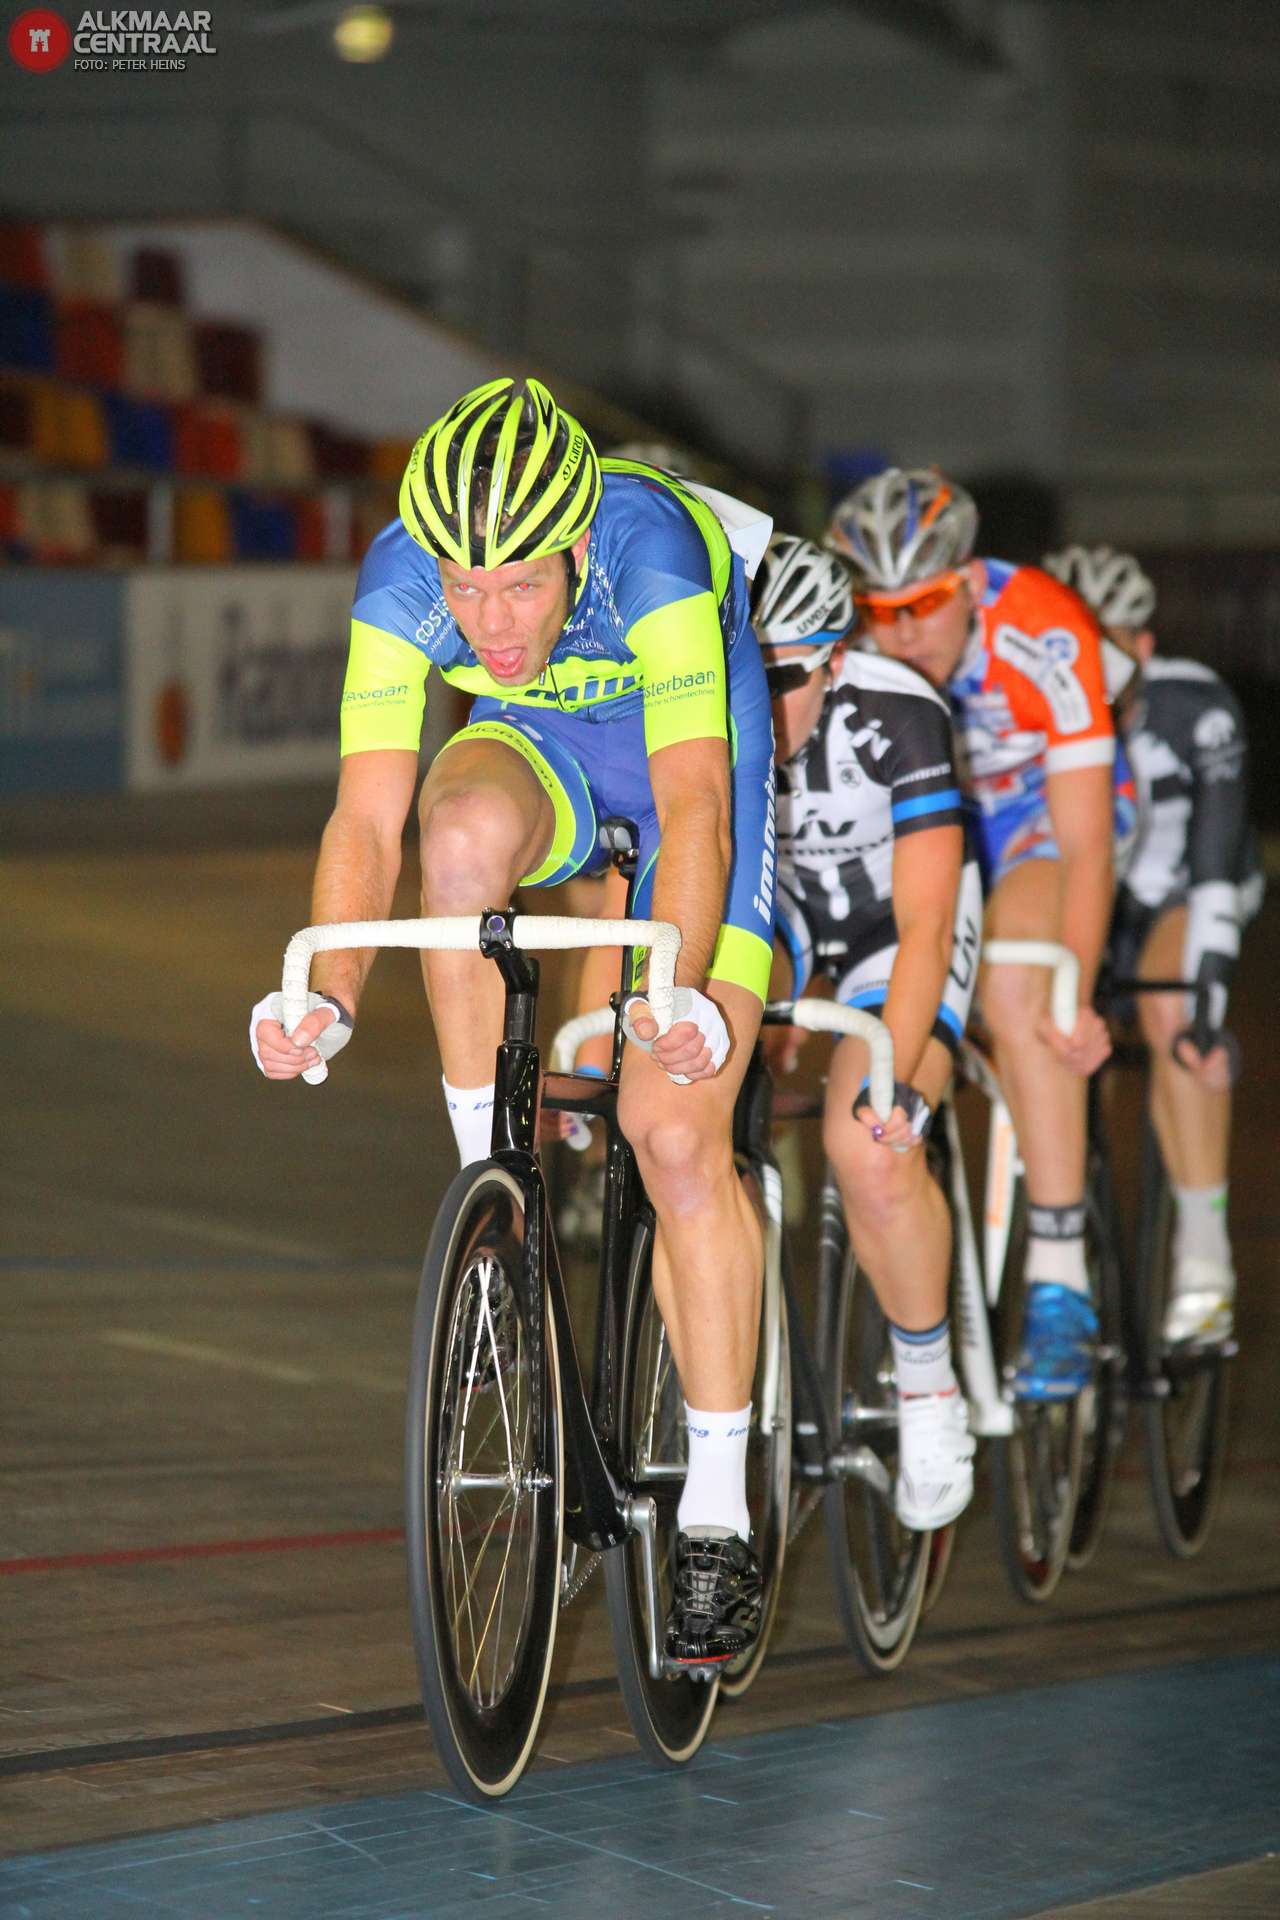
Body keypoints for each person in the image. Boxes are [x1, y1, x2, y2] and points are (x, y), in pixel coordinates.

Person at [250, 377, 777, 1668]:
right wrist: (325, 994)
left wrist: (677, 991)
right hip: (538, 753)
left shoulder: (653, 546)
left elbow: (698, 809)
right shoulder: (402, 576)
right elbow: (365, 819)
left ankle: (715, 1510)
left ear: (579, 547)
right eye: (464, 590)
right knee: (459, 830)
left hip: (689, 781)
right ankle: (500, 1178)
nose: (485, 622)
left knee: (670, 1134)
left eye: (520, 589)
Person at [829, 469, 1136, 1399]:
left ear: (967, 583)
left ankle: (1058, 1279)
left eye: (922, 603)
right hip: (927, 825)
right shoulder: (848, 642)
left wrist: (1072, 989)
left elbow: (1087, 845)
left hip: (1036, 820)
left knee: (1015, 985)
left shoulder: (1043, 628)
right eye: (879, 610)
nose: (902, 632)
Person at [757, 534, 979, 1527]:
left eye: (788, 677)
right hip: (785, 919)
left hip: (901, 926)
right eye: (743, 675)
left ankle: (930, 1385)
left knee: (867, 1138)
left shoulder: (899, 712)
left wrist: (891, 1075)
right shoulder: (697, 712)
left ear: (835, 659)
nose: (763, 707)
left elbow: (928, 921)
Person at [1043, 545, 1263, 1342]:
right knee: (1058, 1037)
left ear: (1142, 646)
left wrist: (1204, 999)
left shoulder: (1193, 704)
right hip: (1092, 892)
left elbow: (1213, 865)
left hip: (1183, 890)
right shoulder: (1026, 707)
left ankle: (1205, 1254)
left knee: (1175, 1019)